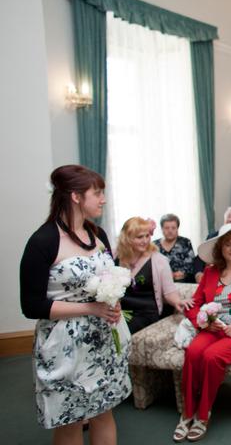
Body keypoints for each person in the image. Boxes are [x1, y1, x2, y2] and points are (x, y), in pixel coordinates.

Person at [19, 165, 131, 443]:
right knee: (71, 421)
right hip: (65, 346)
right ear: (76, 196)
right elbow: (31, 305)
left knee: (104, 412)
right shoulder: (43, 241)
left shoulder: (98, 234)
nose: (103, 199)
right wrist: (90, 309)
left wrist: (113, 301)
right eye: (97, 193)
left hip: (103, 340)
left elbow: (109, 276)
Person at [174, 222, 231, 442]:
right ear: (220, 248)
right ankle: (187, 412)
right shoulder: (210, 272)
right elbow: (194, 305)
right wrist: (203, 323)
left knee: (211, 356)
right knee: (193, 352)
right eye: (228, 244)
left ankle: (203, 415)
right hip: (212, 329)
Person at [115, 217, 193, 333]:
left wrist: (178, 301)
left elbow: (169, 291)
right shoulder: (116, 256)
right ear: (127, 238)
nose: (145, 241)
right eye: (140, 237)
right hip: (121, 311)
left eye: (147, 236)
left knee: (121, 331)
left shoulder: (159, 260)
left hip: (145, 313)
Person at [194, 206, 231, 283]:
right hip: (214, 274)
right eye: (229, 217)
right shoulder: (213, 236)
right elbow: (200, 257)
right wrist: (198, 273)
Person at [154, 213, 196, 282]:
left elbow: (191, 265)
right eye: (167, 228)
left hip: (182, 280)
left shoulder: (185, 242)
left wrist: (179, 273)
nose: (170, 231)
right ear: (162, 229)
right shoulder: (154, 245)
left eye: (173, 228)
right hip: (160, 281)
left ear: (177, 229)